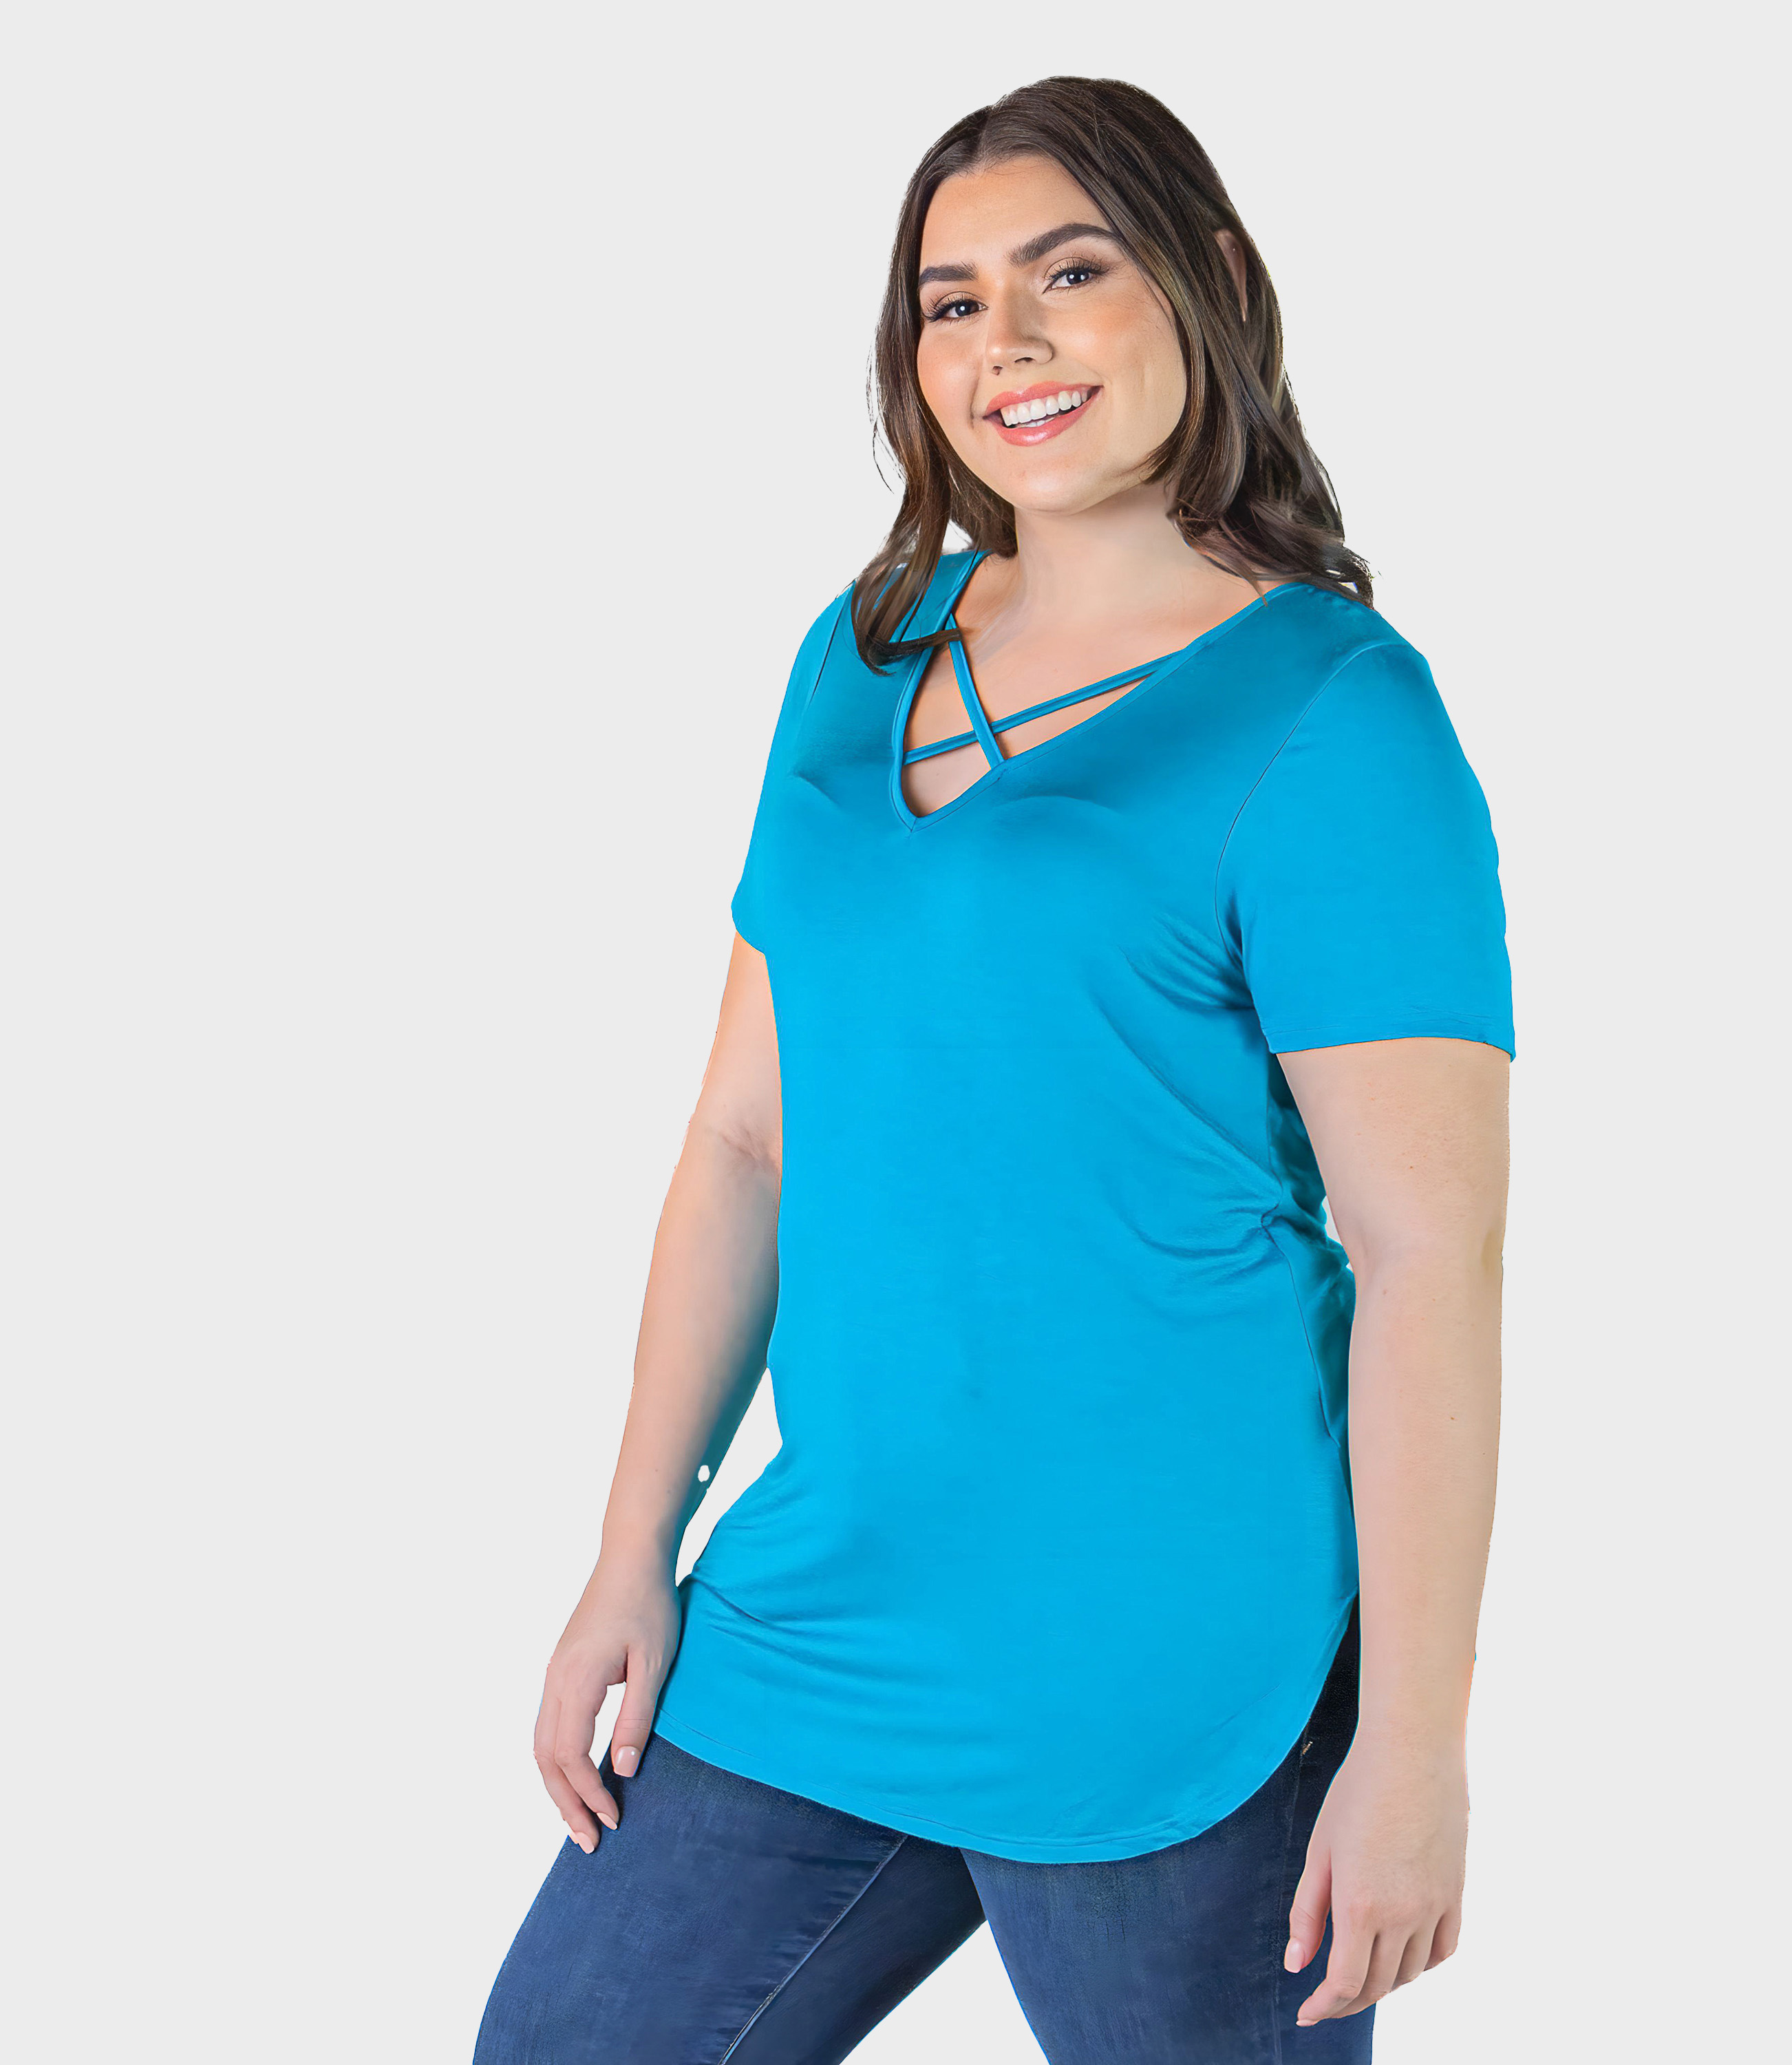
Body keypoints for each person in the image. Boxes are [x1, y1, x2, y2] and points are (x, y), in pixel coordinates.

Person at [473, 74, 1513, 2065]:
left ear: (1213, 287)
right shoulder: (861, 652)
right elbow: (746, 1141)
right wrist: (631, 1556)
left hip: (1173, 1653)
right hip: (828, 1609)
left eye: (1071, 274)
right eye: (951, 302)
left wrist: (1414, 1745)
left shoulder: (1340, 717)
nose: (1007, 344)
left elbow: (1426, 1254)